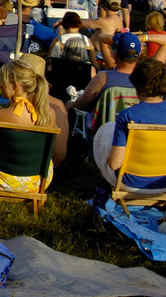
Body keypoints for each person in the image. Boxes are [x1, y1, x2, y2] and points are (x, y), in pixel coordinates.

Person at [0, 58, 58, 194]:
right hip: (38, 181)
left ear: (14, 86)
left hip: (4, 182)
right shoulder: (49, 114)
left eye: (1, 80)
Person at [94, 58, 166, 190]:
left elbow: (114, 164)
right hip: (163, 184)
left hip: (130, 183)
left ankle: (102, 188)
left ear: (136, 86)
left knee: (106, 130)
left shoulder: (128, 115)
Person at [68, 32, 142, 113]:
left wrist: (70, 104)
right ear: (139, 54)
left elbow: (81, 105)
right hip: (137, 123)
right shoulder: (146, 79)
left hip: (107, 124)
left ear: (116, 53)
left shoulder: (102, 78)